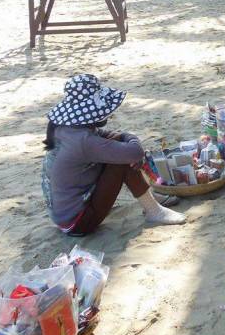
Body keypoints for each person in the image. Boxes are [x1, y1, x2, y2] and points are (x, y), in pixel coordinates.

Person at [41, 74, 186, 235]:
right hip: (78, 222)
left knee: (120, 150)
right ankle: (153, 211)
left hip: (65, 215)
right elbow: (136, 152)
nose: (108, 113)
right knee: (122, 161)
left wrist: (123, 139)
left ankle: (150, 198)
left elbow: (106, 136)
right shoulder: (84, 141)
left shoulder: (66, 128)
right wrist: (130, 137)